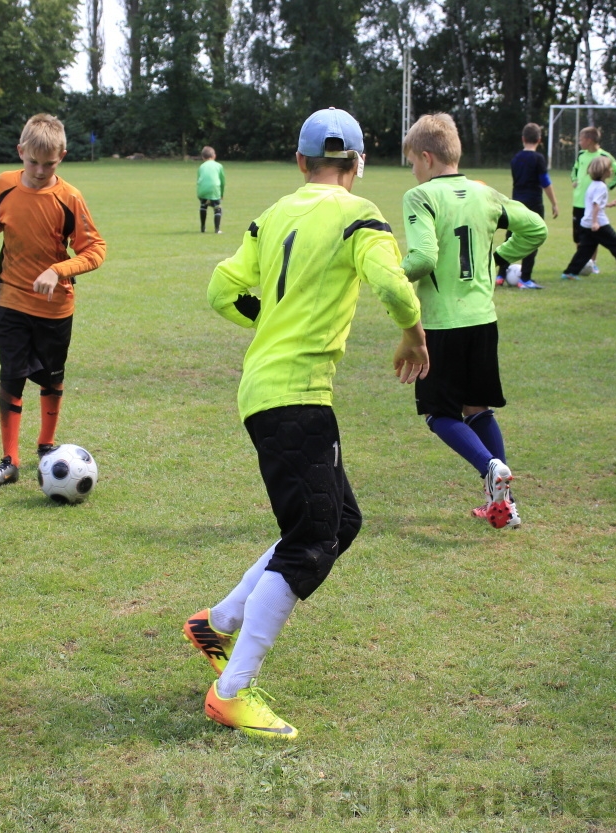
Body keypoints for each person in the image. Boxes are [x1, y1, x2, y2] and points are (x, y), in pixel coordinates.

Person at [185, 107, 429, 740]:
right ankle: (231, 690)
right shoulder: (360, 215)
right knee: (312, 539)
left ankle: (218, 622)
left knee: (338, 522)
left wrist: (270, 321)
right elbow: (396, 288)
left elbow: (220, 288)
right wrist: (413, 336)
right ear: (359, 163)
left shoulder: (272, 215)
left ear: (300, 163)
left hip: (265, 390)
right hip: (295, 396)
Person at [400, 113, 547, 529]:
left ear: (427, 158)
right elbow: (535, 228)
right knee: (477, 409)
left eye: (412, 161)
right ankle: (506, 505)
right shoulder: (485, 194)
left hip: (444, 323)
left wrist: (393, 273)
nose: (412, 171)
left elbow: (424, 258)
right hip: (484, 319)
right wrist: (497, 259)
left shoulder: (422, 196)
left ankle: (490, 468)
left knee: (438, 414)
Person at [0, 114, 106, 487]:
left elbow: (95, 250)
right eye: (32, 161)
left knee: (51, 380)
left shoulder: (69, 198)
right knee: (11, 376)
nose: (39, 170)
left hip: (54, 309)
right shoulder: (4, 184)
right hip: (11, 299)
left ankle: (46, 446)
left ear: (62, 156)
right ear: (21, 152)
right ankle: (9, 461)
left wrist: (59, 270)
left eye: (49, 164)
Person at [493, 122, 559, 290]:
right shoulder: (538, 159)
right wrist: (554, 203)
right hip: (534, 204)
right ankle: (526, 278)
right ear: (539, 140)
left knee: (510, 238)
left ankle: (500, 275)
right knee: (531, 239)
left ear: (523, 139)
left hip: (515, 204)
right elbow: (545, 182)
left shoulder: (516, 158)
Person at [561, 156, 616, 281]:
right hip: (598, 224)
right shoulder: (602, 187)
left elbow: (594, 202)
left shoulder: (593, 185)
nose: (611, 170)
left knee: (585, 250)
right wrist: (595, 222)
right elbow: (595, 205)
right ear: (604, 171)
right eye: (609, 168)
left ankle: (570, 272)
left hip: (585, 223)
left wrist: (608, 205)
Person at [569, 127, 616, 276]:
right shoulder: (581, 155)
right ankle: (581, 265)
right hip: (579, 202)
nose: (579, 142)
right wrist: (574, 180)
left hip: (594, 203)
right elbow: (574, 170)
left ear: (589, 140)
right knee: (580, 237)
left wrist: (608, 187)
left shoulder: (604, 156)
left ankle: (592, 263)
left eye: (581, 139)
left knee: (594, 235)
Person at [197, 146, 225, 233]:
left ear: (203, 157)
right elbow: (223, 181)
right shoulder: (219, 166)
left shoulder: (201, 167)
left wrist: (199, 194)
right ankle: (217, 229)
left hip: (203, 190)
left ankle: (203, 227)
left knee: (203, 206)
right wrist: (221, 194)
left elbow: (198, 181)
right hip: (214, 190)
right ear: (214, 156)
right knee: (217, 209)